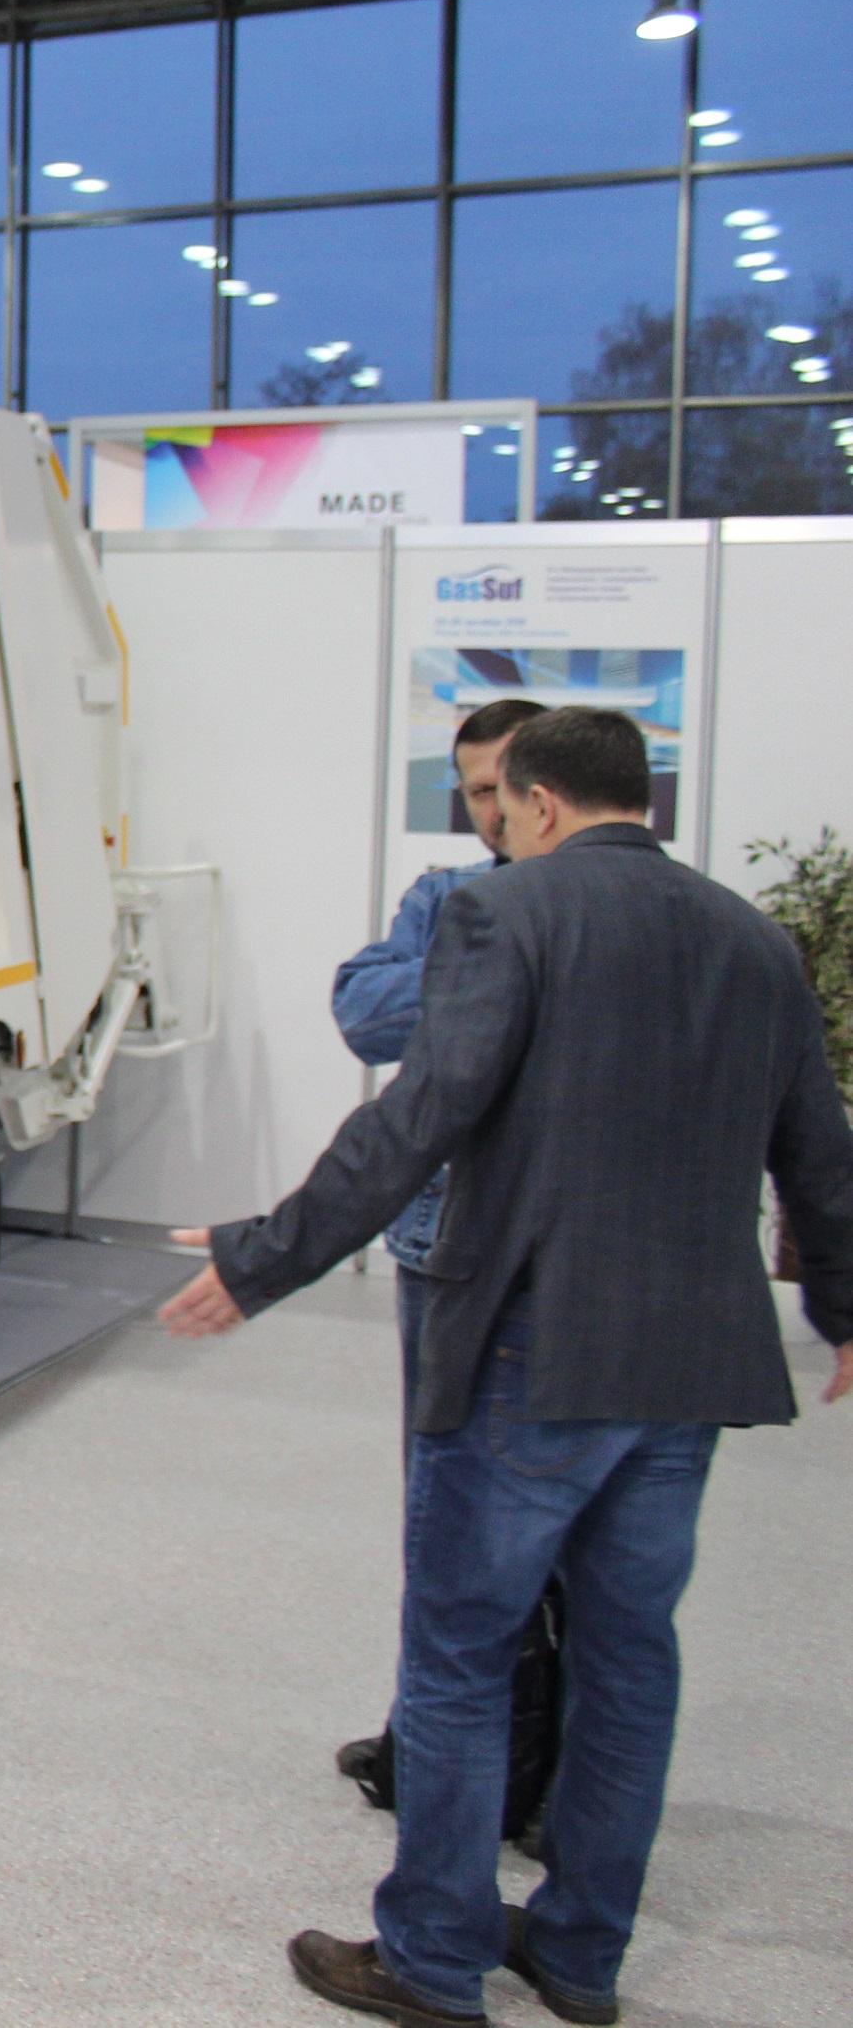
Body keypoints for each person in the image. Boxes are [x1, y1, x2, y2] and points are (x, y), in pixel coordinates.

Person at [158, 708, 853, 2028]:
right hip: (689, 1360)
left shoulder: (505, 913)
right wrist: (844, 1302)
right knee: (627, 1656)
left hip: (534, 1345)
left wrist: (265, 1254)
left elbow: (420, 1115)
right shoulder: (754, 940)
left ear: (535, 803)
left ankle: (430, 1956)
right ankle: (581, 1953)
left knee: (461, 1650)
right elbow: (818, 1148)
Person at [326, 694, 544, 1814]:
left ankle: (534, 1769)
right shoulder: (446, 899)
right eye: (473, 791)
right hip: (445, 1244)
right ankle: (426, 1743)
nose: (493, 810)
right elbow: (364, 1010)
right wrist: (505, 966)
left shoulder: (629, 904)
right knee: (446, 1515)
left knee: (565, 1537)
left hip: (574, 1251)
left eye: (507, 785)